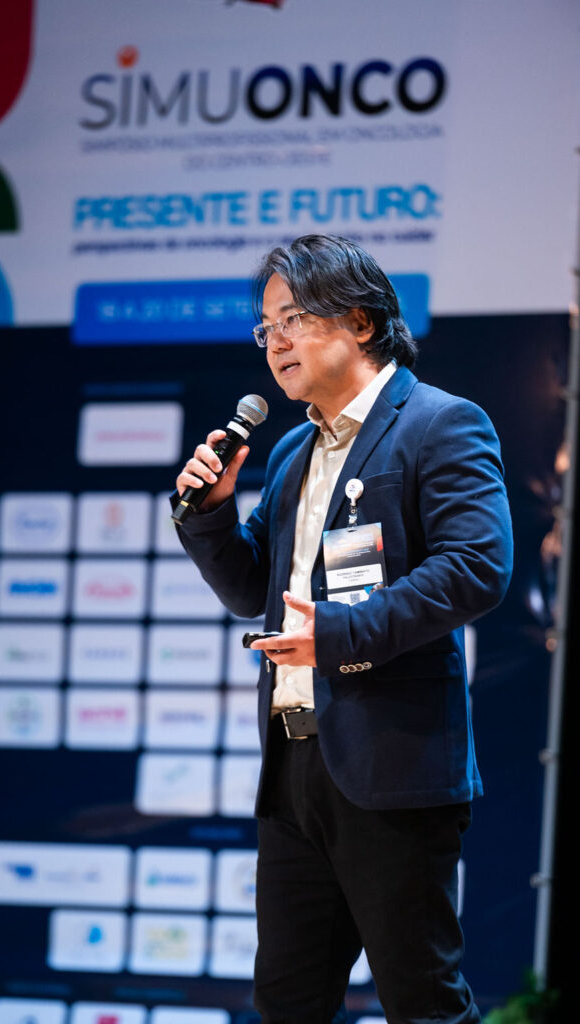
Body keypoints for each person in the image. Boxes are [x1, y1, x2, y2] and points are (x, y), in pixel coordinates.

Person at [174, 234, 513, 1024]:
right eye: (265, 328)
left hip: (392, 765)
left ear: (359, 321)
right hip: (294, 763)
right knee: (286, 1003)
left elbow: (476, 568)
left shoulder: (439, 423)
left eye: (292, 318)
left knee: (421, 1003)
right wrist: (211, 514)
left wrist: (340, 634)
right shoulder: (293, 450)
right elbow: (251, 589)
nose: (275, 342)